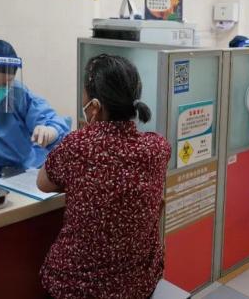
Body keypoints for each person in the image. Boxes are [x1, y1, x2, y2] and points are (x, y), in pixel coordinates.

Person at [37, 54, 170, 299]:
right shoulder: (158, 148)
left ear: (95, 106)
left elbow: (43, 183)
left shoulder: (77, 146)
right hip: (139, 284)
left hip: (76, 287)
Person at [0, 40, 69, 179]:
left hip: (20, 171)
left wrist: (50, 130)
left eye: (7, 83)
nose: (0, 89)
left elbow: (51, 120)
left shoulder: (17, 94)